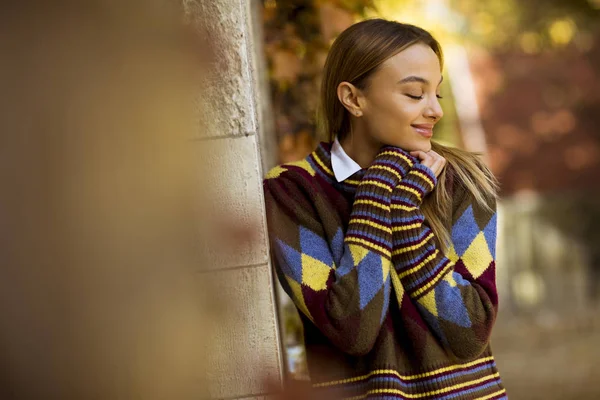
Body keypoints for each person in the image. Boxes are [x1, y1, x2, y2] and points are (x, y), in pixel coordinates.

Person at [263, 19, 506, 399]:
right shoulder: (293, 192)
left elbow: (470, 332)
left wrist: (406, 217)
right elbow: (353, 328)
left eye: (437, 95)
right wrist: (378, 192)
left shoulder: (462, 180)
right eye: (414, 94)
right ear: (353, 99)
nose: (435, 111)